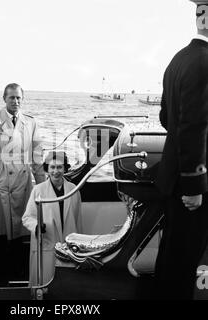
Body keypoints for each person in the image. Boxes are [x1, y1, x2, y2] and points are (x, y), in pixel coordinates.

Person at [155, 0, 208, 300]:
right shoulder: (204, 61)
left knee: (172, 256)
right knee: (187, 261)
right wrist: (194, 185)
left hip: (172, 178)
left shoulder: (178, 59)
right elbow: (193, 127)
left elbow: (167, 118)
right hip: (191, 188)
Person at [0, 83, 46, 282]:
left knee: (21, 229)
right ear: (4, 99)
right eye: (11, 98)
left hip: (23, 181)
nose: (15, 101)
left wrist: (42, 186)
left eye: (18, 98)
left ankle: (18, 270)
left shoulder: (31, 123)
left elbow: (37, 156)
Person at [22, 151, 82, 286]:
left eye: (60, 167)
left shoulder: (74, 190)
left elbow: (78, 220)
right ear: (47, 169)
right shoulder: (38, 190)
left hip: (68, 245)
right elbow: (27, 218)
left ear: (65, 168)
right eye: (52, 167)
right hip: (46, 243)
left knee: (67, 285)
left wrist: (79, 245)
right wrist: (37, 226)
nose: (56, 171)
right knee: (44, 283)